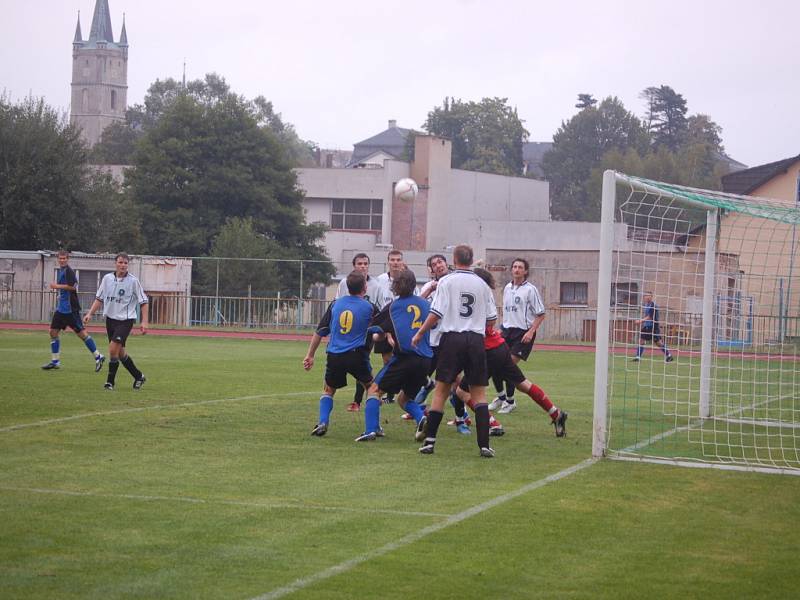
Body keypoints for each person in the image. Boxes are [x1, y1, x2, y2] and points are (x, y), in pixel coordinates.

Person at [456, 268, 568, 437]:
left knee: (463, 392)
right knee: (522, 384)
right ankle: (556, 413)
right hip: (500, 347)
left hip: (488, 352)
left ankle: (493, 424)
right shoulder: (486, 297)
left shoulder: (474, 300)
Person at [412, 244, 497, 458]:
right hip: (476, 340)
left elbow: (436, 312)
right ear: (471, 259)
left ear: (454, 259)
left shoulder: (446, 282)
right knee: (479, 394)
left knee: (441, 389)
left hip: (452, 339)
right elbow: (492, 319)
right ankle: (484, 445)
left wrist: (420, 332)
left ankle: (430, 442)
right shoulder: (482, 284)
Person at [303, 270, 378, 438]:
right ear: (365, 288)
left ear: (346, 287)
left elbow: (320, 332)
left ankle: (323, 422)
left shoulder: (335, 304)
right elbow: (382, 326)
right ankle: (373, 428)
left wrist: (310, 355)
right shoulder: (369, 307)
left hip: (335, 354)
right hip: (356, 354)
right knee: (372, 388)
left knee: (329, 390)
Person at [363, 269, 433, 441]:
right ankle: (422, 418)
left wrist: (381, 334)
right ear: (413, 284)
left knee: (374, 390)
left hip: (405, 357)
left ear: (395, 286)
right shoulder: (426, 305)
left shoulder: (393, 307)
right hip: (425, 360)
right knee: (404, 399)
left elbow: (375, 330)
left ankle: (371, 430)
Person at [83, 253, 148, 390]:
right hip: (110, 320)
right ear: (115, 263)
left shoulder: (133, 281)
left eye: (125, 263)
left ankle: (110, 382)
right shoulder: (107, 279)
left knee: (113, 350)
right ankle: (139, 376)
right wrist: (89, 313)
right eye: (120, 262)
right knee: (120, 353)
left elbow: (143, 301)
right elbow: (99, 298)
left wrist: (144, 321)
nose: (123, 265)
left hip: (126, 320)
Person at [489, 258, 545, 414]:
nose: (517, 269)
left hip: (522, 333)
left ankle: (510, 401)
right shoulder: (507, 288)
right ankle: (501, 397)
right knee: (494, 362)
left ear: (525, 271)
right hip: (507, 331)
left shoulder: (530, 289)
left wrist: (531, 331)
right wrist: (501, 328)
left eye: (520, 267)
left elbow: (541, 314)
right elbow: (508, 311)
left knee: (507, 365)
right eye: (514, 266)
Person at [41, 250, 105, 372]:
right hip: (61, 309)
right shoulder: (61, 270)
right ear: (57, 259)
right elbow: (66, 288)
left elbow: (73, 286)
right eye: (60, 258)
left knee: (82, 334)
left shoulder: (69, 271)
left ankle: (98, 356)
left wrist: (57, 287)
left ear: (68, 259)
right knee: (53, 332)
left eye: (64, 258)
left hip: (70, 309)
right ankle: (55, 361)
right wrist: (60, 295)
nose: (62, 260)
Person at [334, 253, 381, 412]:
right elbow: (337, 303)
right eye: (359, 263)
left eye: (365, 263)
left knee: (362, 359)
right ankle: (372, 391)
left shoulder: (376, 285)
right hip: (346, 329)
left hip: (365, 330)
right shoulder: (344, 283)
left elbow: (378, 308)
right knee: (353, 362)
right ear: (354, 266)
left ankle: (358, 400)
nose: (363, 266)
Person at [373, 249, 419, 404]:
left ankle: (398, 389)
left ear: (402, 261)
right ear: (388, 262)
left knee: (401, 361)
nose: (395, 262)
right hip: (386, 323)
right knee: (387, 360)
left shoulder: (410, 280)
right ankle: (390, 393)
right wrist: (385, 331)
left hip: (404, 326)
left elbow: (417, 299)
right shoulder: (380, 280)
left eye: (398, 259)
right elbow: (379, 303)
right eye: (392, 260)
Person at [633, 291, 674, 362]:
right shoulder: (646, 305)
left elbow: (650, 317)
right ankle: (638, 357)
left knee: (658, 343)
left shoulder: (653, 305)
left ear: (651, 297)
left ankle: (669, 355)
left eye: (648, 296)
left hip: (653, 327)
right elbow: (646, 316)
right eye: (645, 296)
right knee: (641, 341)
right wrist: (643, 322)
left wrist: (640, 321)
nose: (646, 297)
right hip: (646, 326)